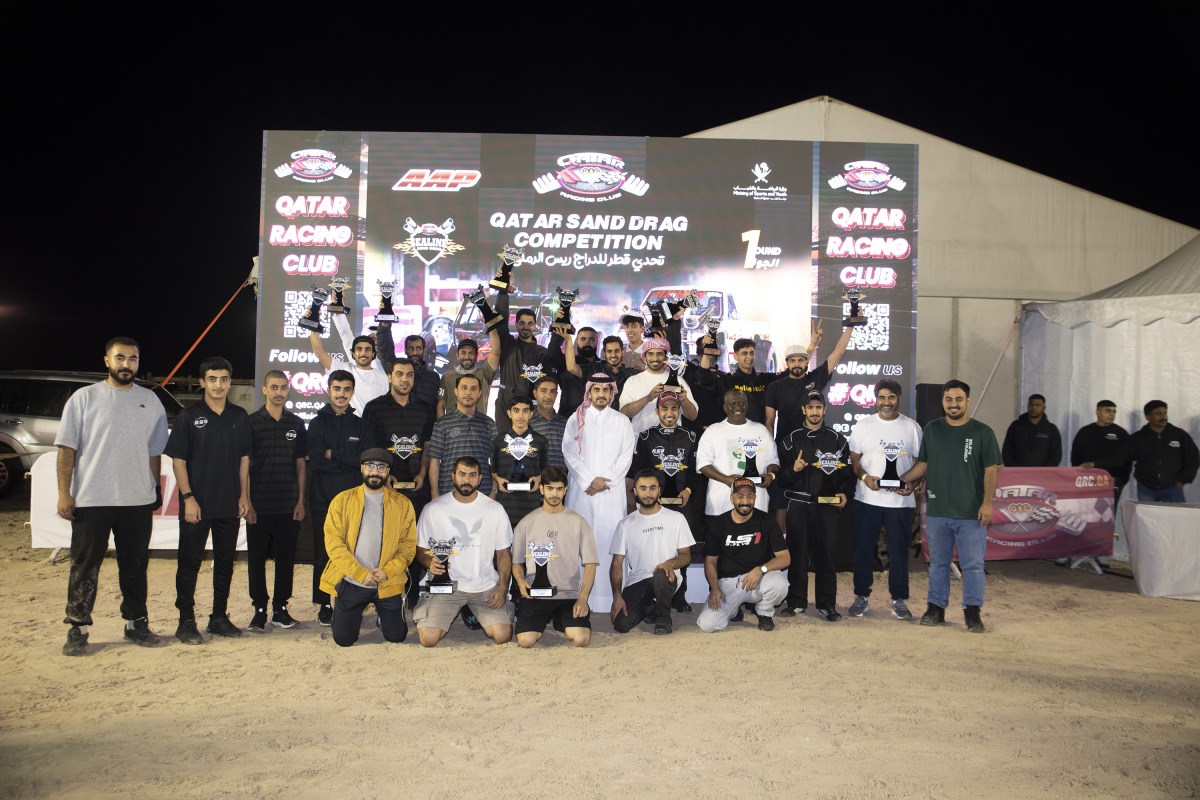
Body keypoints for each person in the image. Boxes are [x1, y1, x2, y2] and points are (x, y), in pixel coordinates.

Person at [56, 337, 169, 656]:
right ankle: (78, 628)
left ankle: (136, 623)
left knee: (135, 565)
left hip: (137, 501)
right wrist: (64, 493)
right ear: (107, 361)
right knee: (84, 565)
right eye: (120, 358)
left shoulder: (150, 400)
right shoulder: (84, 398)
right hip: (92, 500)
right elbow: (66, 449)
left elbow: (154, 451)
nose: (126, 364)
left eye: (133, 359)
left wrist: (155, 488)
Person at [900, 380, 1001, 633]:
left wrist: (988, 503)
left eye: (958, 399)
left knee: (973, 566)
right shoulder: (933, 429)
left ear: (967, 401)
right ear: (942, 402)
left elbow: (991, 470)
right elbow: (924, 464)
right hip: (938, 511)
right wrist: (904, 480)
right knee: (938, 564)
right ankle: (936, 608)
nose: (953, 404)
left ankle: (973, 612)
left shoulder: (983, 432)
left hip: (971, 513)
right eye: (948, 399)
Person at [165, 356, 252, 644]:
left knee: (225, 563)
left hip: (228, 504)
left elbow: (244, 459)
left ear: (230, 382)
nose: (218, 385)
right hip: (197, 505)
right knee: (189, 564)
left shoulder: (239, 416)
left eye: (224, 379)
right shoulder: (188, 417)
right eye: (212, 379)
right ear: (202, 382)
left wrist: (243, 495)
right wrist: (188, 498)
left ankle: (218, 618)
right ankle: (186, 621)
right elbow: (178, 461)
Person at [319, 448, 417, 646]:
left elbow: (408, 546)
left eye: (381, 467)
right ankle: (347, 614)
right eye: (370, 466)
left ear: (388, 472)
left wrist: (388, 571)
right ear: (362, 468)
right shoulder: (342, 500)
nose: (375, 471)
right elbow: (334, 543)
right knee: (343, 639)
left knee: (397, 636)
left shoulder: (403, 504)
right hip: (352, 580)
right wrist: (360, 573)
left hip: (387, 580)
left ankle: (384, 616)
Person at [413, 457, 514, 646]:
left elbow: (503, 554)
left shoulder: (495, 509)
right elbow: (421, 550)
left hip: (483, 586)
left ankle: (469, 607)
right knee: (428, 639)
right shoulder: (433, 509)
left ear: (480, 479)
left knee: (502, 636)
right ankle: (454, 607)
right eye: (462, 474)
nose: (467, 480)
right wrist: (428, 562)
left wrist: (502, 588)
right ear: (453, 476)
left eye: (472, 475)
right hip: (445, 587)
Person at [846, 379, 923, 619]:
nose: (886, 402)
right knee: (863, 550)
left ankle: (899, 599)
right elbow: (854, 460)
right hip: (867, 500)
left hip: (900, 503)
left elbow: (921, 463)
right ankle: (861, 596)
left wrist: (913, 485)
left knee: (899, 552)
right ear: (875, 400)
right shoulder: (863, 425)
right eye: (882, 397)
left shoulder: (912, 427)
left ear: (898, 399)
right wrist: (865, 477)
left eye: (891, 397)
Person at [775, 391, 854, 621]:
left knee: (826, 555)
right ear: (803, 410)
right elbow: (781, 480)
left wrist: (845, 493)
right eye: (810, 407)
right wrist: (793, 470)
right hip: (799, 506)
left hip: (827, 507)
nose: (814, 412)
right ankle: (796, 602)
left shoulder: (839, 440)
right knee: (797, 556)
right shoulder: (790, 440)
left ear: (825, 409)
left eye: (818, 407)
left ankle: (827, 605)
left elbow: (847, 477)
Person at [307, 369, 376, 626]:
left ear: (352, 392)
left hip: (354, 501)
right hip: (322, 499)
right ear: (329, 390)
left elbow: (365, 462)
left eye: (347, 389)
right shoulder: (316, 424)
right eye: (337, 389)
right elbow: (316, 462)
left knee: (354, 551)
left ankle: (350, 601)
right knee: (323, 553)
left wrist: (333, 454)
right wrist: (348, 460)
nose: (341, 394)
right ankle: (324, 603)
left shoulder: (362, 425)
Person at [562, 373, 637, 608]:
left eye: (606, 390)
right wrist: (589, 481)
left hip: (610, 494)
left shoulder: (622, 421)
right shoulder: (576, 419)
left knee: (608, 542)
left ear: (612, 393)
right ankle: (578, 598)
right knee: (579, 541)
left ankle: (608, 599)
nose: (601, 394)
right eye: (597, 390)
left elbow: (626, 455)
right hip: (582, 492)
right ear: (589, 392)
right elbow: (569, 452)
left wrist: (606, 482)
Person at [244, 369, 308, 631]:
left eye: (283, 387)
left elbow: (301, 465)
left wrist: (300, 500)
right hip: (258, 505)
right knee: (256, 558)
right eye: (274, 387)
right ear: (264, 390)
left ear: (288, 390)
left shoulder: (296, 423)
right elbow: (244, 465)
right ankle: (259, 609)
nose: (279, 392)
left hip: (288, 505)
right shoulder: (251, 423)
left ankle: (280, 609)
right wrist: (246, 501)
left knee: (285, 558)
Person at [627, 390, 702, 610]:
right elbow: (638, 471)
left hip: (682, 504)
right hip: (653, 505)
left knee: (682, 550)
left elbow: (696, 471)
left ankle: (680, 596)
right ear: (657, 410)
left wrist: (688, 490)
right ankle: (651, 594)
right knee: (652, 548)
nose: (669, 413)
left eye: (674, 408)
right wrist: (649, 494)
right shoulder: (646, 437)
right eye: (665, 408)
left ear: (679, 411)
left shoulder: (690, 437)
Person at [511, 466, 598, 648]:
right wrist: (520, 580)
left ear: (565, 490)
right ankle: (552, 617)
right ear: (542, 489)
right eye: (550, 488)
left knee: (581, 639)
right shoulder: (526, 523)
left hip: (569, 595)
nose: (554, 494)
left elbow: (590, 564)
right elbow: (517, 563)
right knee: (526, 641)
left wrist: (583, 598)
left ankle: (560, 618)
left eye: (559, 489)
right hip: (536, 595)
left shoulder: (578, 522)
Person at [696, 479, 790, 633]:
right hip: (728, 583)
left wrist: (761, 569)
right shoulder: (718, 524)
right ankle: (733, 610)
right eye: (740, 497)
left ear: (755, 498)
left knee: (780, 584)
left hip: (758, 579)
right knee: (708, 625)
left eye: (749, 496)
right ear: (732, 498)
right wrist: (715, 588)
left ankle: (764, 612)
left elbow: (785, 558)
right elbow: (711, 561)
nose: (745, 501)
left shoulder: (767, 520)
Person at [609, 470, 696, 635]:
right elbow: (616, 564)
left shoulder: (676, 518)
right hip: (638, 581)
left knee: (660, 574)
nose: (648, 493)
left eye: (652, 488)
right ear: (635, 491)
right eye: (643, 488)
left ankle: (663, 617)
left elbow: (686, 556)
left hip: (666, 577)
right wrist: (617, 596)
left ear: (659, 491)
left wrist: (669, 563)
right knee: (621, 624)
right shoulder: (625, 524)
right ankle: (651, 607)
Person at [1063, 400, 1130, 566]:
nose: (1111, 414)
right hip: (1087, 482)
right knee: (1079, 515)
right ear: (1098, 412)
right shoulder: (1086, 432)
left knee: (1104, 518)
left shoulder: (1120, 434)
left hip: (1110, 483)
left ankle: (1101, 552)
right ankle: (1069, 551)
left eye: (1114, 411)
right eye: (1107, 411)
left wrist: (1121, 479)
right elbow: (1076, 457)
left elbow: (1123, 459)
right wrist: (1079, 475)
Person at [697, 390, 780, 517]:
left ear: (747, 405)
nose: (738, 407)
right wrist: (726, 480)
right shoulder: (712, 431)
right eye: (733, 403)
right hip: (721, 507)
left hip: (757, 505)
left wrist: (770, 476)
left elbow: (773, 461)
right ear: (725, 407)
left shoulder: (761, 430)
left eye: (741, 403)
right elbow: (703, 465)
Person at [427, 373, 498, 499]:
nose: (468, 392)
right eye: (464, 388)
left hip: (483, 494)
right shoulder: (442, 423)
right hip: (448, 493)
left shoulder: (489, 423)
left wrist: (494, 491)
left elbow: (496, 460)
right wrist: (434, 493)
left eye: (473, 389)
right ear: (456, 391)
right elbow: (434, 461)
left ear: (479, 393)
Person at [1117, 400, 1198, 502]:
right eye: (1158, 414)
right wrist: (1099, 464)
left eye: (1165, 413)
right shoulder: (1138, 438)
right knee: (1147, 513)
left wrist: (1183, 479)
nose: (1163, 417)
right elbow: (1119, 457)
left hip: (1173, 488)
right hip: (1146, 489)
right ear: (1148, 417)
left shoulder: (1179, 435)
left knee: (1176, 513)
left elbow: (1193, 457)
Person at [617, 337, 699, 433]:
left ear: (666, 357)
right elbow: (623, 413)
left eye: (659, 354)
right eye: (651, 354)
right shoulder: (633, 381)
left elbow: (693, 416)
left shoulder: (678, 381)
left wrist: (684, 400)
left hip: (671, 439)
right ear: (644, 357)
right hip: (640, 439)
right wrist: (648, 397)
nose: (655, 358)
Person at [492, 394, 549, 530]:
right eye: (516, 410)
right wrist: (498, 480)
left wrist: (539, 478)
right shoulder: (498, 441)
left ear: (531, 414)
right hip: (506, 502)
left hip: (530, 502)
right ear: (509, 413)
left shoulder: (540, 441)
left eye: (525, 411)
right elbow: (493, 470)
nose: (521, 415)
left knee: (529, 540)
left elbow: (545, 470)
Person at [307, 327, 388, 415]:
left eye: (367, 349)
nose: (363, 353)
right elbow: (319, 352)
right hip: (346, 422)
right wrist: (313, 326)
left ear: (373, 353)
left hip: (373, 423)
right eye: (359, 349)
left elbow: (384, 407)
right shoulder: (344, 369)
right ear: (353, 353)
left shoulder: (382, 376)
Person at [436, 335, 500, 419]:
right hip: (452, 425)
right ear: (457, 355)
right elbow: (440, 405)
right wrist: (441, 425)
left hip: (478, 425)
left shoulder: (484, 374)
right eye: (463, 353)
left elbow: (496, 353)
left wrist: (492, 329)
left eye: (470, 353)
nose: (467, 357)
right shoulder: (447, 377)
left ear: (476, 356)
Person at [1002, 394, 1063, 466]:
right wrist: (1013, 468)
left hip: (1043, 472)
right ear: (1028, 406)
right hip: (1017, 471)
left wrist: (1046, 470)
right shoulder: (1016, 426)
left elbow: (1056, 454)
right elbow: (1007, 450)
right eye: (1031, 404)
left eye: (1038, 405)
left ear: (1044, 408)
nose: (1034, 407)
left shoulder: (1051, 429)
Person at [529, 375, 568, 469]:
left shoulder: (566, 424)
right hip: (533, 477)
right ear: (535, 393)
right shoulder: (526, 422)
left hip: (560, 477)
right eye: (543, 391)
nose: (548, 396)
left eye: (552, 391)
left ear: (556, 394)